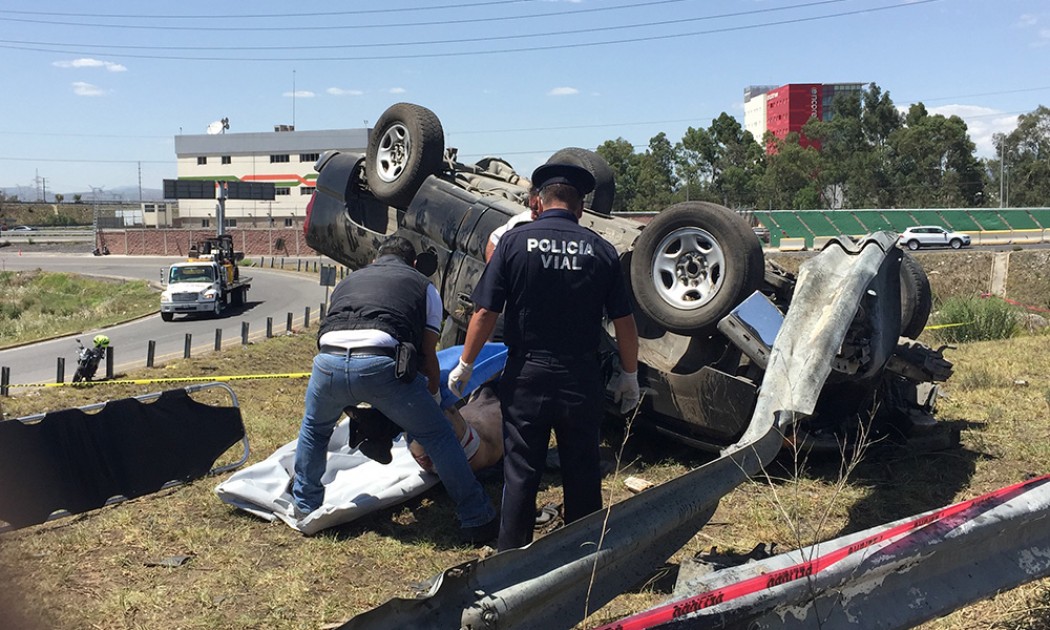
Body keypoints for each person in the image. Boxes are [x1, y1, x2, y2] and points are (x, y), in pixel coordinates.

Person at [449, 161, 640, 551]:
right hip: (581, 378)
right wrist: (630, 375)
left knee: (521, 470)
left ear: (537, 201)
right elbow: (624, 321)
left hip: (527, 375)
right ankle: (582, 558)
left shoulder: (513, 244)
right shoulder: (602, 251)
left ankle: (513, 560)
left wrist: (466, 365)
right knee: (582, 469)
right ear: (581, 207)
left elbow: (485, 312)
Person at [292, 235, 498, 544]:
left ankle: (305, 506)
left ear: (375, 259)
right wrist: (434, 397)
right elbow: (429, 354)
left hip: (328, 362)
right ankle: (477, 517)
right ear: (415, 264)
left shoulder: (350, 280)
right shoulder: (423, 285)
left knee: (314, 430)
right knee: (438, 435)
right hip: (380, 364)